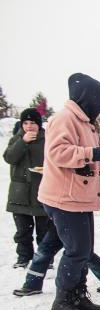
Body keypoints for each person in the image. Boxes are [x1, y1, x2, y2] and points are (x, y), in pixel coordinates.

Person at [38, 73, 100, 310]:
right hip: (63, 198)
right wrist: (94, 152)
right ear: (88, 98)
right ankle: (63, 300)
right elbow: (57, 152)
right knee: (76, 250)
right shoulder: (64, 119)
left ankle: (78, 294)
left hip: (81, 198)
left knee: (85, 249)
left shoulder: (88, 123)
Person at [4, 107, 48, 269]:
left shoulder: (47, 140)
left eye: (33, 123)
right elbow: (9, 158)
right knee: (23, 231)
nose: (29, 126)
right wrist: (23, 142)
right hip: (19, 193)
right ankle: (23, 257)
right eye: (26, 123)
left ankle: (44, 258)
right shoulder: (17, 139)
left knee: (44, 230)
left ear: (39, 124)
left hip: (41, 190)